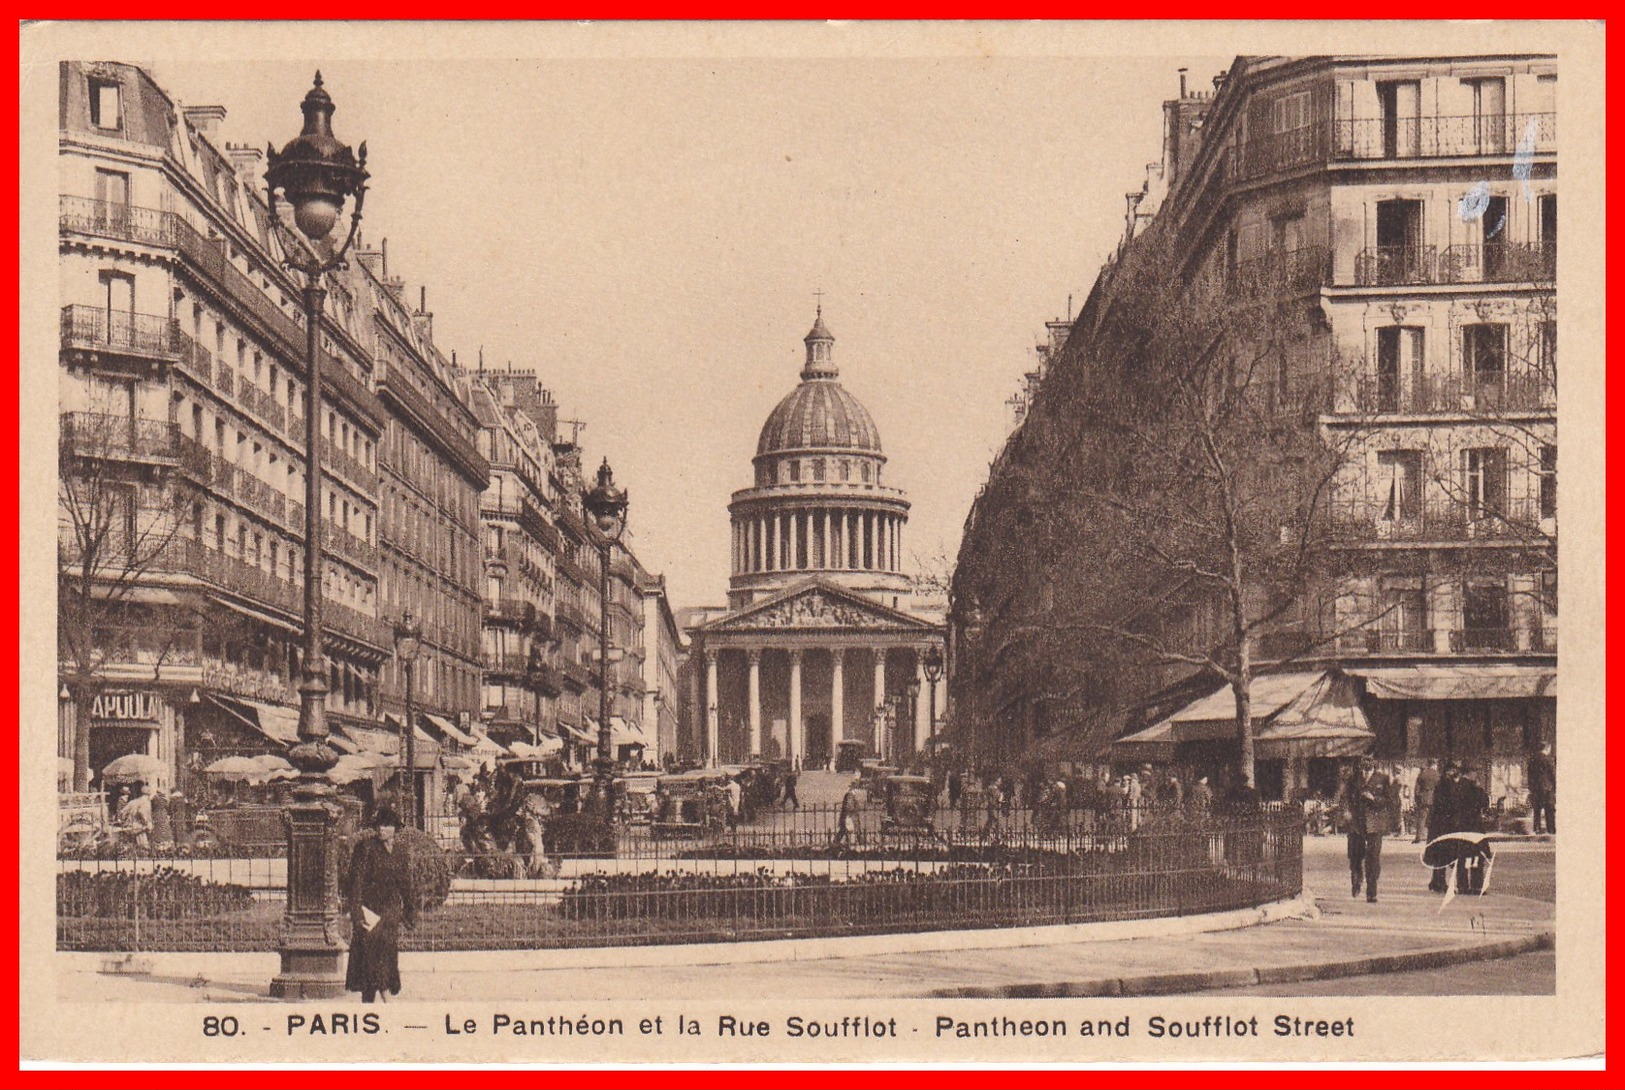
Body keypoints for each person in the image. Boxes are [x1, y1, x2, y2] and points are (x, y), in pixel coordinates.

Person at [344, 805, 418, 1003]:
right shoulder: (366, 848)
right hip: (369, 910)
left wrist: (410, 912)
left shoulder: (401, 851)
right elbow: (356, 883)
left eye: (386, 825)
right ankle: (380, 999)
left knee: (385, 953)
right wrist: (357, 911)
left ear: (395, 828)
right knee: (370, 955)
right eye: (379, 825)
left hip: (391, 911)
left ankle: (380, 997)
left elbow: (406, 884)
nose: (382, 829)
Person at [1336, 755, 1394, 903]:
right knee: (1355, 855)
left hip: (1375, 824)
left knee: (1373, 857)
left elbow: (1390, 800)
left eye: (1370, 760)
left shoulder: (1383, 779)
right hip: (1357, 823)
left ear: (1374, 763)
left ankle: (1372, 891)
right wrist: (1346, 812)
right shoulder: (1353, 779)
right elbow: (1344, 798)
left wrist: (1374, 799)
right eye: (1364, 761)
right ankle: (1356, 878)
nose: (1367, 763)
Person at [1527, 742, 1556, 835]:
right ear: (1547, 748)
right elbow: (1552, 774)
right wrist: (1555, 787)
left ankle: (1537, 829)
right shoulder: (1548, 760)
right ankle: (1550, 830)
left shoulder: (1532, 760)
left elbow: (1529, 776)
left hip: (1536, 789)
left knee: (1537, 810)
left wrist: (1531, 787)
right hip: (1547, 788)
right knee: (1549, 810)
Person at [1412, 760, 1440, 844]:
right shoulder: (1438, 775)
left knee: (1421, 818)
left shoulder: (1422, 774)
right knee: (1434, 818)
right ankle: (1433, 837)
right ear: (1435, 764)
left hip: (1423, 797)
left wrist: (1417, 798)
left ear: (1428, 764)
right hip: (1434, 798)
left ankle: (1418, 837)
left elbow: (1417, 789)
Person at [832, 779, 863, 849]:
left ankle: (836, 843)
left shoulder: (850, 795)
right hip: (850, 817)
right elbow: (849, 806)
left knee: (845, 831)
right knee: (851, 830)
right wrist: (854, 810)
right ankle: (861, 844)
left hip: (849, 817)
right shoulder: (850, 795)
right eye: (858, 789)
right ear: (855, 789)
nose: (859, 791)